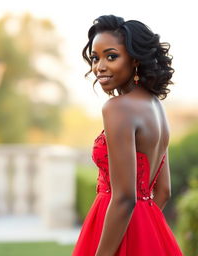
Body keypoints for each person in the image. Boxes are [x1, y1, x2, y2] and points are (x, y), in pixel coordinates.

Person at [72, 14, 183, 256]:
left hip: (113, 231)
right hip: (145, 230)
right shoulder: (156, 107)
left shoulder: (117, 108)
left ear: (134, 59)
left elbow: (124, 198)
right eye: (95, 58)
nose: (99, 67)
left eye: (111, 56)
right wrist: (142, 231)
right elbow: (163, 192)